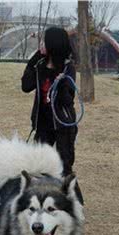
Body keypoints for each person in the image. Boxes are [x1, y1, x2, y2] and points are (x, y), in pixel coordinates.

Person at [21, 27, 78, 178]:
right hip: (43, 123)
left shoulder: (67, 67)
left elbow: (67, 99)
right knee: (39, 164)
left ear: (53, 44)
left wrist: (60, 81)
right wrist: (34, 60)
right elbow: (26, 87)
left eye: (43, 42)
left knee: (64, 166)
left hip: (62, 124)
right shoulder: (40, 65)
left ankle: (72, 198)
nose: (40, 44)